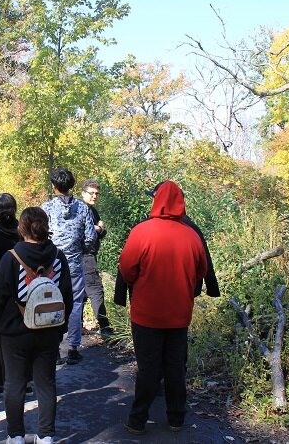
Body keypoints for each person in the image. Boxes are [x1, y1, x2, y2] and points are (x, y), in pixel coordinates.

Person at [118, 181, 209, 435]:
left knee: (148, 368)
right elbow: (201, 271)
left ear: (156, 201)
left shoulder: (142, 232)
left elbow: (126, 269)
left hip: (146, 314)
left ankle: (137, 420)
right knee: (175, 367)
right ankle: (176, 418)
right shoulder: (191, 235)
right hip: (179, 314)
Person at [0, 207, 73, 444]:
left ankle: (15, 436)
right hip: (49, 330)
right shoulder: (58, 257)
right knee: (46, 383)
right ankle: (46, 436)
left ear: (22, 228)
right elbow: (67, 297)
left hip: (14, 332)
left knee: (14, 384)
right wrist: (61, 329)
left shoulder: (10, 258)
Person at [41, 168, 96, 365]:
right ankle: (73, 348)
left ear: (53, 185)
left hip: (52, 266)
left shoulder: (46, 208)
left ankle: (54, 348)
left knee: (51, 303)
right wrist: (80, 248)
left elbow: (40, 235)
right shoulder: (82, 208)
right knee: (75, 304)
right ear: (72, 185)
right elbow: (90, 237)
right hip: (74, 264)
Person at [0, 193, 21, 395]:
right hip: (22, 290)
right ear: (14, 209)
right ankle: (25, 380)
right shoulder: (23, 230)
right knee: (23, 335)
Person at [80, 179, 111, 335]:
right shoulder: (81, 209)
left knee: (82, 292)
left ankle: (77, 326)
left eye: (97, 193)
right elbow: (85, 230)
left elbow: (100, 232)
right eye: (91, 193)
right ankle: (105, 328)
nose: (94, 196)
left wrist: (99, 230)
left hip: (86, 255)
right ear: (83, 193)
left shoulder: (92, 210)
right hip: (85, 255)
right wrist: (98, 228)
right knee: (96, 290)